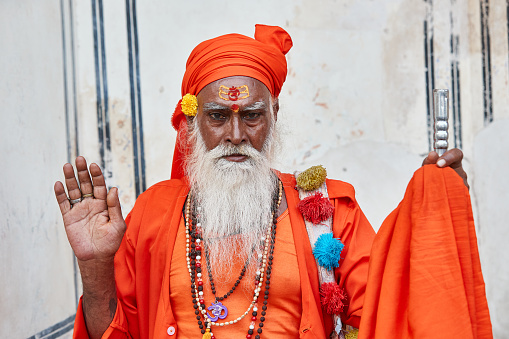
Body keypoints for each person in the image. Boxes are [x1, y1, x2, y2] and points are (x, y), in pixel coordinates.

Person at [54, 25, 471, 339]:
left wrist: (437, 211)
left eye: (251, 115)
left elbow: (386, 305)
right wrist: (94, 266)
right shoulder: (154, 213)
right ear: (193, 123)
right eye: (218, 116)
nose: (236, 136)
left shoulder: (328, 211)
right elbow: (116, 332)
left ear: (274, 116)